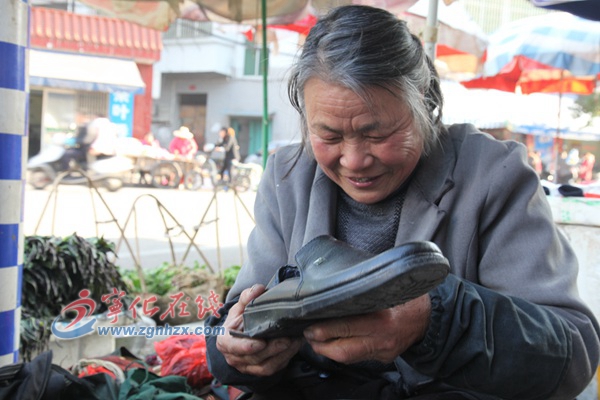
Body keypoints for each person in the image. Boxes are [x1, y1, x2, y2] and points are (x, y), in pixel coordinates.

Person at [205, 5, 600, 400]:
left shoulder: (494, 175)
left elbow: (573, 355)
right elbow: (235, 318)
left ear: (422, 102)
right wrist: (237, 348)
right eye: (329, 136)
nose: (354, 160)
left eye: (377, 135)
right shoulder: (288, 176)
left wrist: (434, 323)